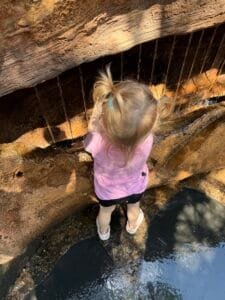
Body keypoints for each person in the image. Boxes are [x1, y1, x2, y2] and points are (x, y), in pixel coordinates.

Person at [84, 66, 170, 240]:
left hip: (107, 191)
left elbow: (87, 144)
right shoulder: (147, 139)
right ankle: (132, 225)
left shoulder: (97, 140)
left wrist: (96, 117)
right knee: (134, 207)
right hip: (135, 186)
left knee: (105, 211)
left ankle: (103, 231)